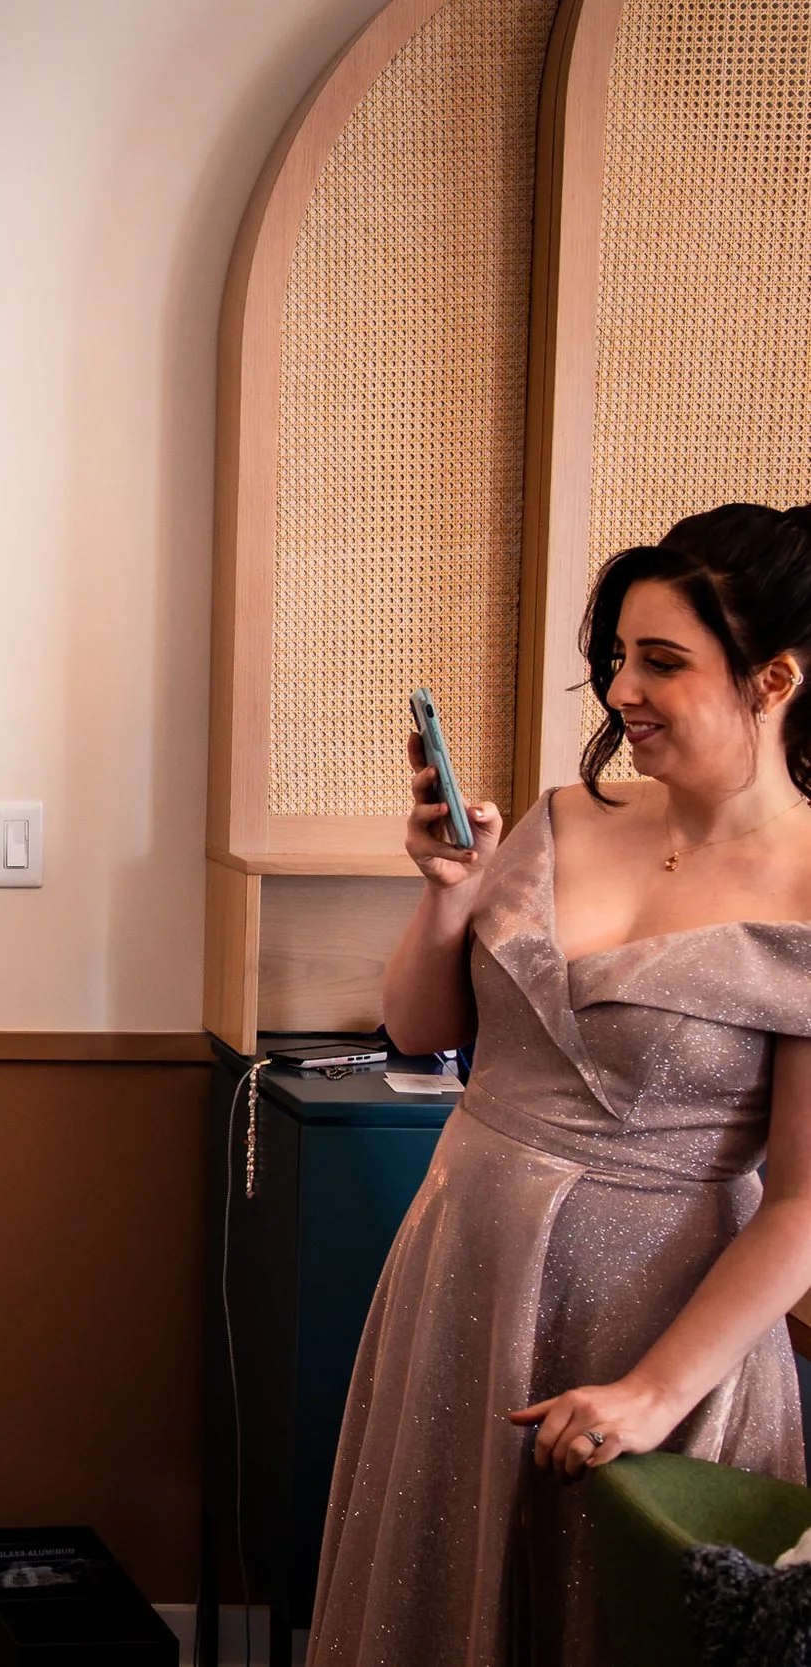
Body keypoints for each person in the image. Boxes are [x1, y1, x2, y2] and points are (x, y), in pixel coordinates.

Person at [313, 502, 811, 1665]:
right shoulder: (564, 818)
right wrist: (448, 890)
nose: (620, 689)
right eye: (616, 656)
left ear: (774, 678)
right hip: (459, 1278)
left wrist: (650, 1391)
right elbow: (422, 1031)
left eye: (661, 661)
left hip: (657, 1324)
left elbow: (801, 1202)